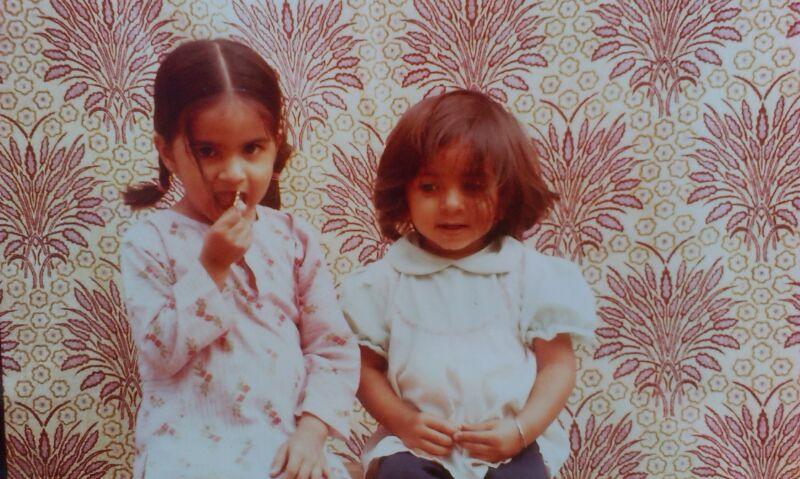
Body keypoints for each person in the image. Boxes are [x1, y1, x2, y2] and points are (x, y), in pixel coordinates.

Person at [120, 39, 359, 479]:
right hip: (187, 455)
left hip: (286, 448)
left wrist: (311, 433)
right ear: (167, 151)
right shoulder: (150, 242)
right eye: (208, 150)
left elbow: (332, 349)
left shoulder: (293, 239)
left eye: (251, 149)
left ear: (275, 146)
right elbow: (160, 353)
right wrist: (211, 268)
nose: (233, 173)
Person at [339, 90, 597, 479]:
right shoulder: (382, 282)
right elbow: (365, 368)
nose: (452, 204)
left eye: (473, 187)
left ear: (505, 194)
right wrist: (403, 421)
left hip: (507, 442)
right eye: (429, 187)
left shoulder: (531, 275)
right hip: (416, 445)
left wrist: (521, 430)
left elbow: (557, 366)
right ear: (403, 193)